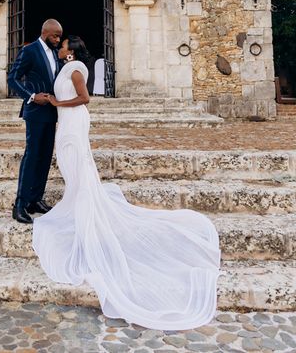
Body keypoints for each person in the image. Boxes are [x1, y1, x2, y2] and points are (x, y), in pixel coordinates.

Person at [32, 35, 221, 330]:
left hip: (74, 123)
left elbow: (84, 99)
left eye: (64, 44)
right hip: (67, 124)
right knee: (73, 174)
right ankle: (80, 214)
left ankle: (86, 223)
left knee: (79, 172)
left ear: (72, 50)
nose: (60, 47)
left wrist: (55, 101)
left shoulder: (77, 67)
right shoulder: (67, 68)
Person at [7, 18, 63, 224]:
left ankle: (36, 200)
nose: (58, 39)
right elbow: (12, 78)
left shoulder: (56, 54)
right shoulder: (30, 51)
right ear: (46, 33)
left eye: (60, 36)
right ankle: (20, 205)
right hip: (35, 111)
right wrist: (31, 96)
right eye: (55, 36)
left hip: (52, 112)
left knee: (45, 156)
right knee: (32, 156)